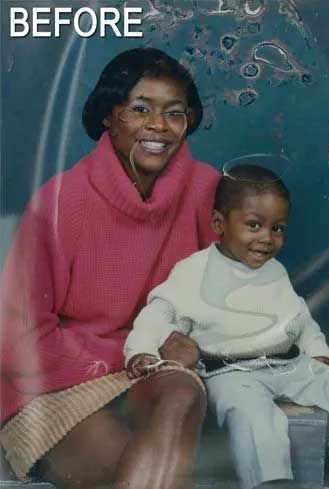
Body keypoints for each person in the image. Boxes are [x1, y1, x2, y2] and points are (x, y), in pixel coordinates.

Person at [0, 48, 219, 488]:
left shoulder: (209, 191)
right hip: (56, 384)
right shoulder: (60, 201)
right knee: (136, 470)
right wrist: (136, 355)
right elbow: (20, 341)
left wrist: (174, 352)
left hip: (155, 378)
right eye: (140, 109)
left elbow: (232, 302)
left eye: (174, 113)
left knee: (180, 393)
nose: (158, 126)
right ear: (108, 115)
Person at [123, 164, 329, 489]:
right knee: (252, 415)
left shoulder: (275, 271)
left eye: (277, 228)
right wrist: (141, 351)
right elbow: (157, 315)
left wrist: (318, 353)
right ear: (219, 223)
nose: (267, 238)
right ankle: (269, 480)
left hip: (287, 365)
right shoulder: (193, 271)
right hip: (231, 374)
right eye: (253, 225)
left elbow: (301, 318)